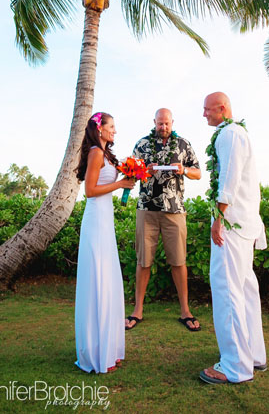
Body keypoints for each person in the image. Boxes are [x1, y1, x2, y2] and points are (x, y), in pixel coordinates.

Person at [199, 92, 267, 385]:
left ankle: (235, 366)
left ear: (222, 108)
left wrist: (219, 218)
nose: (204, 115)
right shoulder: (237, 133)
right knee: (246, 290)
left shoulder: (229, 134)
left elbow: (228, 178)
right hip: (244, 225)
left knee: (228, 291)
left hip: (233, 226)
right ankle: (253, 355)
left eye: (207, 109)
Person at [127, 108, 202, 332]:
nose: (163, 128)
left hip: (175, 210)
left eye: (167, 124)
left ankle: (185, 311)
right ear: (154, 122)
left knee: (179, 261)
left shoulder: (183, 144)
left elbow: (198, 172)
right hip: (146, 209)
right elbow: (129, 175)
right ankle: (137, 310)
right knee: (144, 261)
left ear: (172, 122)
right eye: (160, 124)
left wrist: (184, 170)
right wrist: (143, 172)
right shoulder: (141, 144)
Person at [74, 112, 135, 374]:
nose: (115, 131)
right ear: (100, 129)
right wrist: (121, 182)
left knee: (108, 280)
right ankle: (97, 353)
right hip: (96, 219)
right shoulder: (96, 153)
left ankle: (108, 349)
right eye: (111, 127)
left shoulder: (106, 154)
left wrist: (134, 174)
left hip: (105, 218)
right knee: (99, 280)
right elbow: (89, 191)